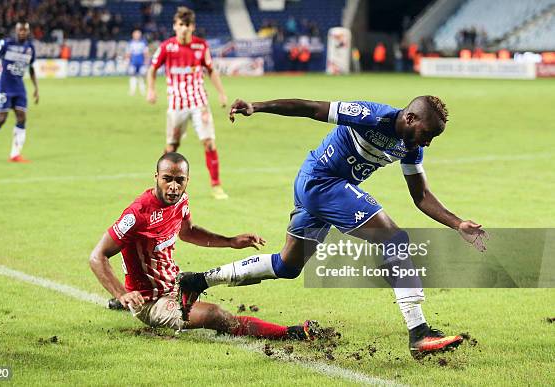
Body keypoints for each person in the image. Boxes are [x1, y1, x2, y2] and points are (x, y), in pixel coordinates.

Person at [177, 96, 489, 359]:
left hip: (324, 189)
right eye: (427, 134)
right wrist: (257, 106)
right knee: (393, 239)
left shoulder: (411, 147)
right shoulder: (371, 115)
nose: (428, 143)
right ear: (409, 117)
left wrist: (457, 223)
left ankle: (198, 280)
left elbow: (420, 196)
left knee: (288, 265)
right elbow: (312, 108)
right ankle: (419, 333)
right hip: (321, 183)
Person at [89, 152, 316, 340]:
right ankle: (289, 334)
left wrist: (231, 241)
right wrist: (121, 294)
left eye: (180, 180)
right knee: (213, 314)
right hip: (152, 301)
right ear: (156, 177)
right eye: (167, 179)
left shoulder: (180, 201)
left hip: (175, 285)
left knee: (223, 280)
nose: (174, 187)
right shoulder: (137, 214)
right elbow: (97, 256)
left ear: (187, 180)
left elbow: (188, 232)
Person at [146, 7, 229, 200]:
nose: (184, 29)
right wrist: (151, 89)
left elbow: (211, 71)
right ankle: (161, 185)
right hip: (177, 105)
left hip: (199, 103)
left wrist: (222, 93)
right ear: (175, 26)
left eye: (187, 25)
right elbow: (152, 69)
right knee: (171, 147)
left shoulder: (201, 46)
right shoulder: (167, 47)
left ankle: (216, 185)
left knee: (209, 143)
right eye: (180, 25)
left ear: (193, 27)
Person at [0, 22, 39, 162]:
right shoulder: (6, 43)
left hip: (19, 87)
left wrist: (36, 88)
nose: (22, 32)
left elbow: (31, 68)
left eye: (25, 30)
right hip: (5, 86)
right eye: (20, 30)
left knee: (22, 117)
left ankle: (15, 154)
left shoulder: (30, 47)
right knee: (2, 118)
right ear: (16, 31)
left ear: (28, 32)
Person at [126, 29, 149, 96]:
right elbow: (128, 53)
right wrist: (127, 61)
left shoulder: (143, 43)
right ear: (133, 35)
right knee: (133, 77)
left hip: (141, 63)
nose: (137, 35)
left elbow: (146, 53)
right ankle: (132, 91)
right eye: (136, 34)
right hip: (133, 63)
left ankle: (143, 91)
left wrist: (146, 62)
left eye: (138, 34)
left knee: (141, 77)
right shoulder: (130, 43)